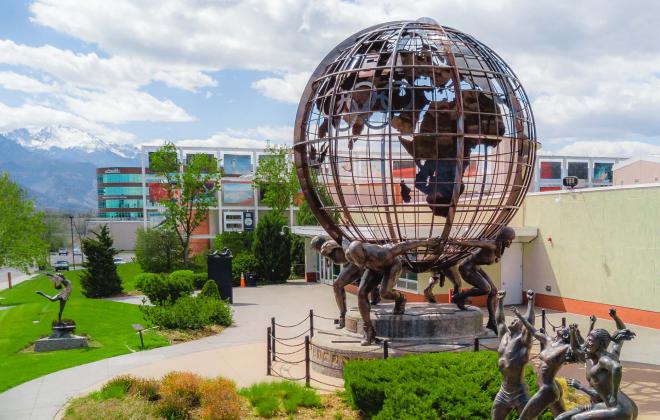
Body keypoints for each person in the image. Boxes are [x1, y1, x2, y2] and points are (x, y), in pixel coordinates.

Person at [345, 237, 441, 345]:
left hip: (392, 266)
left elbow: (404, 245)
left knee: (384, 293)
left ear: (365, 253)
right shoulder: (349, 254)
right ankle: (369, 331)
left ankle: (401, 298)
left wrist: (426, 242)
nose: (361, 263)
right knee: (361, 293)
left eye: (363, 260)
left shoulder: (382, 253)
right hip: (373, 269)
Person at [557, 308, 638, 420]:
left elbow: (617, 367)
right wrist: (615, 317)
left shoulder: (603, 360)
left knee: (576, 419)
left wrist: (613, 395)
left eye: (590, 341)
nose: (587, 343)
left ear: (600, 344)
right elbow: (621, 329)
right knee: (562, 417)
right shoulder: (608, 354)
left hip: (618, 408)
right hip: (623, 404)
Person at [447, 227, 516, 333]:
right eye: (509, 239)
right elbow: (474, 243)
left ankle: (492, 322)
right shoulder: (491, 244)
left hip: (475, 267)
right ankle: (458, 297)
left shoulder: (499, 248)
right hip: (466, 268)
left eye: (512, 240)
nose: (510, 242)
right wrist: (455, 241)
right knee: (486, 289)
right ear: (503, 238)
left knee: (493, 291)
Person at [310, 236, 380, 329]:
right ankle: (375, 297)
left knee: (337, 285)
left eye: (315, 248)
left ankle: (343, 317)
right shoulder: (326, 250)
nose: (316, 251)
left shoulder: (327, 246)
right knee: (365, 281)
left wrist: (332, 246)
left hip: (354, 262)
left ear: (317, 246)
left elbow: (341, 244)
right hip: (355, 262)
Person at [511, 306, 569, 418]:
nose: (561, 327)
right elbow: (533, 331)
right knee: (561, 416)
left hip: (547, 389)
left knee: (524, 418)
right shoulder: (549, 341)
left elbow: (580, 351)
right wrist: (519, 316)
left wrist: (575, 335)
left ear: (566, 335)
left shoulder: (565, 348)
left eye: (564, 328)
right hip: (546, 386)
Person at [492, 289, 536, 420]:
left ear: (522, 326)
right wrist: (499, 301)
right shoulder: (504, 336)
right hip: (503, 391)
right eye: (513, 320)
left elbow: (530, 323)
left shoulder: (523, 341)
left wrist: (530, 302)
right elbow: (499, 320)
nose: (513, 321)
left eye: (517, 321)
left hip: (519, 393)